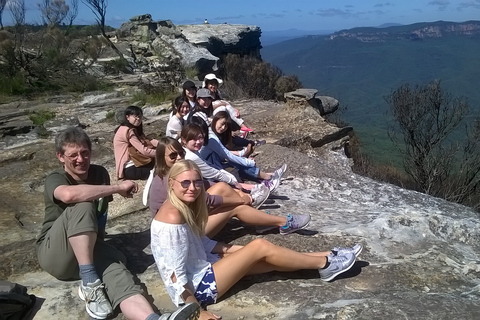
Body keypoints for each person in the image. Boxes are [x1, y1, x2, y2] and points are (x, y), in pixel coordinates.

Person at [151, 160, 362, 319]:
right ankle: (326, 265)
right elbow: (174, 275)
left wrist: (236, 251)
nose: (193, 188)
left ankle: (328, 255)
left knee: (269, 260)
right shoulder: (173, 216)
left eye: (197, 182)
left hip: (205, 268)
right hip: (198, 288)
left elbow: (201, 243)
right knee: (259, 246)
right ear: (171, 183)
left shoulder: (183, 207)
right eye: (185, 182)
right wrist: (196, 312)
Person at [35, 127, 199, 320]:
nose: (81, 159)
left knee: (120, 273)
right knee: (82, 204)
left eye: (85, 153)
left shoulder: (99, 173)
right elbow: (69, 195)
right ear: (61, 157)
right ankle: (89, 282)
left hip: (90, 250)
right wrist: (117, 187)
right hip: (56, 254)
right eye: (73, 155)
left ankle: (154, 318)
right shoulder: (55, 178)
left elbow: (102, 213)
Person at [147, 137, 310, 237]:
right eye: (172, 156)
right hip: (183, 232)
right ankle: (283, 223)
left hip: (188, 218)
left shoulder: (175, 171)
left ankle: (258, 218)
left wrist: (240, 192)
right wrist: (239, 201)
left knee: (223, 186)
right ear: (162, 158)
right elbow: (207, 200)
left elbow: (206, 185)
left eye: (180, 154)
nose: (178, 158)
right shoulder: (170, 179)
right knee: (234, 208)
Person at [197, 115, 287, 191]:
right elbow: (227, 155)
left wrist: (241, 156)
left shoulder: (211, 135)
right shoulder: (211, 137)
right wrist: (247, 161)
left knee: (236, 165)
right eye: (222, 124)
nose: (223, 128)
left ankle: (270, 176)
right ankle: (268, 179)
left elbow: (222, 153)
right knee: (237, 165)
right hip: (211, 170)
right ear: (215, 121)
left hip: (213, 165)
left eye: (226, 126)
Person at [114, 106, 158, 180]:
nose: (138, 119)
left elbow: (148, 140)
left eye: (140, 116)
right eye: (136, 116)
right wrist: (161, 152)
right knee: (160, 171)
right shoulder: (127, 131)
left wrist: (164, 144)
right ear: (127, 117)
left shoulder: (132, 128)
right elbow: (143, 150)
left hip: (136, 164)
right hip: (130, 168)